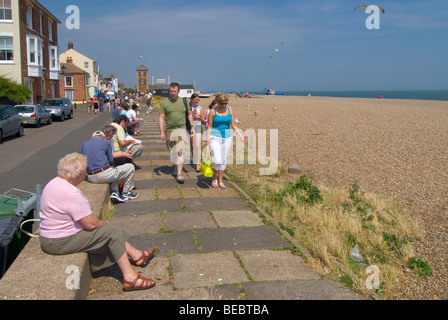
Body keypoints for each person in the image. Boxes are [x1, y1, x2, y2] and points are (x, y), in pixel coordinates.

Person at [38, 153, 156, 292]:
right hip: (59, 241)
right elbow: (90, 224)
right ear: (79, 174)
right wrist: (106, 225)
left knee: (108, 227)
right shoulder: (71, 192)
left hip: (51, 237)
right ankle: (130, 278)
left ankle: (137, 255)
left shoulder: (54, 183)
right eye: (85, 172)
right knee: (113, 232)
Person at [79, 125, 138, 203]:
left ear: (92, 138)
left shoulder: (84, 144)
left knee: (114, 171)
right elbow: (110, 159)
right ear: (103, 137)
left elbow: (80, 160)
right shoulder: (105, 142)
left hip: (90, 177)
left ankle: (114, 192)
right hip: (103, 174)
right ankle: (126, 193)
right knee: (129, 167)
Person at [206, 93, 245, 189]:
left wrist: (240, 135)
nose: (224, 105)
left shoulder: (230, 110)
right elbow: (209, 126)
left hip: (227, 138)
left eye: (225, 103)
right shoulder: (212, 111)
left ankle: (220, 180)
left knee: (223, 160)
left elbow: (234, 125)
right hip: (215, 138)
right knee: (217, 159)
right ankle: (214, 178)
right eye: (222, 103)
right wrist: (207, 140)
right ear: (218, 102)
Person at [159, 82, 194, 184]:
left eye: (174, 91)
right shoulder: (164, 103)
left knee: (180, 152)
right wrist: (161, 132)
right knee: (173, 152)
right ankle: (175, 167)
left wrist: (192, 127)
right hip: (169, 130)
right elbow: (161, 118)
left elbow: (189, 114)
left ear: (178, 91)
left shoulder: (184, 102)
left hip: (181, 129)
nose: (173, 93)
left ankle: (179, 174)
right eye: (171, 91)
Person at [189, 93, 205, 171]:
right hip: (190, 127)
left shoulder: (200, 108)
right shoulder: (188, 108)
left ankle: (198, 164)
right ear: (191, 99)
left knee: (197, 146)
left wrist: (199, 117)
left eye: (198, 100)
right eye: (195, 99)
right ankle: (195, 161)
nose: (197, 101)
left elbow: (203, 119)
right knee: (192, 145)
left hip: (198, 126)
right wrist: (191, 115)